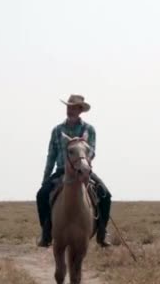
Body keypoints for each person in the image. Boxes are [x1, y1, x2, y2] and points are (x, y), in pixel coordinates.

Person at [36, 94, 112, 248]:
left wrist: (85, 169)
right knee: (41, 194)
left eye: (73, 107)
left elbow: (91, 152)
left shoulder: (89, 129)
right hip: (62, 170)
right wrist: (46, 177)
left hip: (83, 169)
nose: (69, 110)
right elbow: (51, 155)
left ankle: (102, 233)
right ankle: (46, 233)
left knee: (106, 195)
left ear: (80, 110)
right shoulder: (57, 130)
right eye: (68, 107)